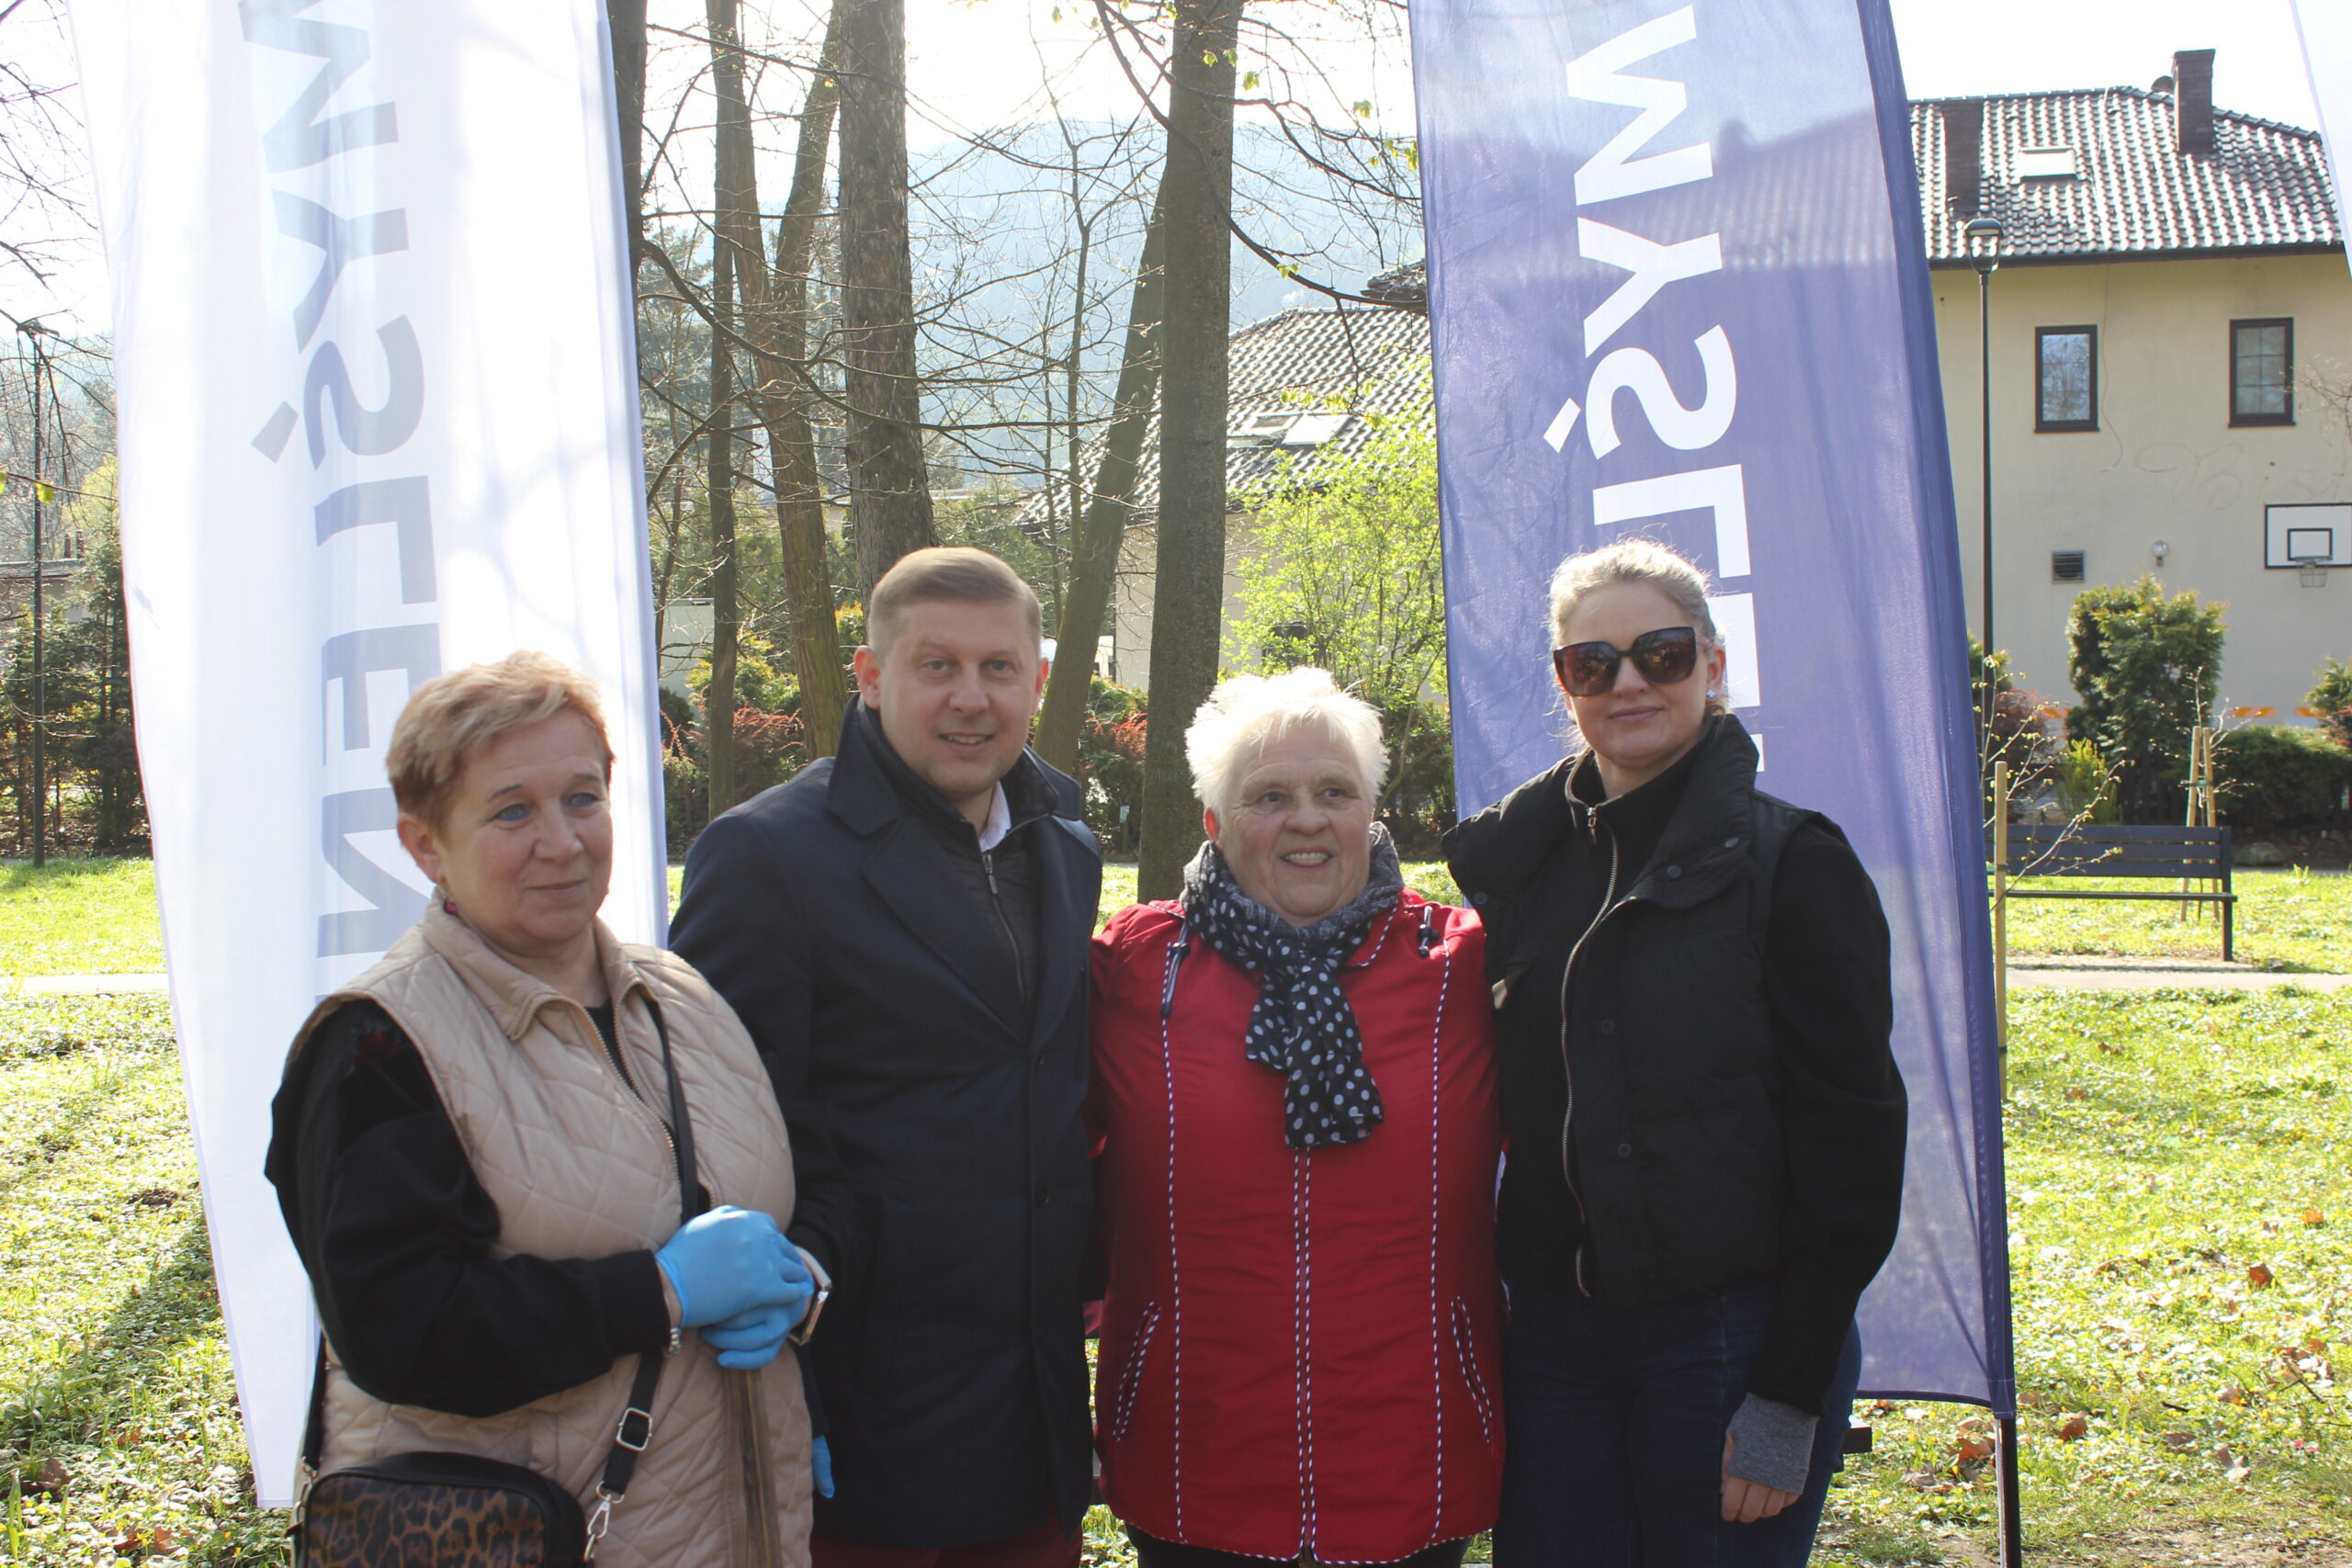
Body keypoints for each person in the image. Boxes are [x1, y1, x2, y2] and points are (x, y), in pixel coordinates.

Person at [266, 651, 818, 1568]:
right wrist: (663, 1291)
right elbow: (401, 1330)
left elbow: (764, 1200)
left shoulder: (682, 996)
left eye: (582, 798)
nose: (561, 842)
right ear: (425, 844)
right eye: (512, 811)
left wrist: (799, 1284)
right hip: (519, 1540)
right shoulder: (378, 1044)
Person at [1444, 540, 1909, 1568]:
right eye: (1591, 662)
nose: (1627, 683)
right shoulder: (1521, 870)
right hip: (1557, 1344)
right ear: (1564, 684)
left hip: (1731, 1339)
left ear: (1713, 662)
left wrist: (1789, 1392)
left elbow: (1854, 1143)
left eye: (1659, 653)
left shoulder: (1796, 864)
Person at [672, 547, 1102, 1568]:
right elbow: (716, 1138)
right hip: (859, 1418)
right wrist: (793, 1384)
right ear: (870, 676)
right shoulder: (768, 855)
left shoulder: (1065, 844)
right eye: (935, 665)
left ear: (1038, 682)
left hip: (1029, 1417)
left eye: (999, 668)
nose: (970, 697)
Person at [1089, 668, 1505, 1568]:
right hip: (1191, 1461)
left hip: (1415, 1461)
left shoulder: (1465, 969)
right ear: (1216, 821)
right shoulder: (1131, 969)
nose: (1307, 819)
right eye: (1269, 796)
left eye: (1334, 792)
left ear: (1371, 814)